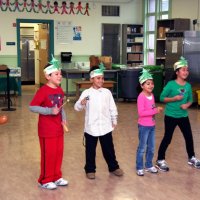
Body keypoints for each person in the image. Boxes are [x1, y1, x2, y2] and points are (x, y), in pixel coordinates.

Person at [74, 65, 123, 179]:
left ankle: (113, 167)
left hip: (105, 126)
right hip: (91, 128)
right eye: (98, 78)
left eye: (102, 78)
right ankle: (90, 169)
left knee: (109, 149)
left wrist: (114, 119)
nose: (101, 80)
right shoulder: (86, 93)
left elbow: (112, 107)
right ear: (91, 79)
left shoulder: (107, 92)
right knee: (90, 150)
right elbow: (77, 108)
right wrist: (81, 103)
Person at [29, 56, 68, 190]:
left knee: (58, 152)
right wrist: (50, 110)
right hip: (46, 130)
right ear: (47, 76)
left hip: (58, 129)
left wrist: (64, 117)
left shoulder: (60, 90)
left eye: (60, 74)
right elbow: (32, 106)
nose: (60, 76)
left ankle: (56, 177)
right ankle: (45, 179)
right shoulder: (43, 91)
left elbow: (61, 106)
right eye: (56, 74)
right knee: (48, 155)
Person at [156, 56, 200, 171]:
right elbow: (161, 97)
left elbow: (191, 99)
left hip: (183, 116)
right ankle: (160, 159)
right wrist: (173, 99)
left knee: (189, 137)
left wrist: (187, 105)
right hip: (171, 116)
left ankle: (192, 157)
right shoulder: (171, 84)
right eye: (183, 69)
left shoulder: (188, 86)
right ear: (177, 72)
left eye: (187, 70)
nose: (186, 72)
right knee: (168, 137)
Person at [136, 68, 163, 176]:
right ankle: (139, 167)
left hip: (152, 125)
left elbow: (150, 108)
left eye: (152, 83)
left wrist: (154, 110)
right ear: (142, 85)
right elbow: (141, 113)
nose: (151, 85)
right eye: (148, 84)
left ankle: (148, 165)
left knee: (151, 147)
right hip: (143, 126)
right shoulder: (141, 97)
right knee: (142, 148)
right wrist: (156, 110)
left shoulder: (151, 96)